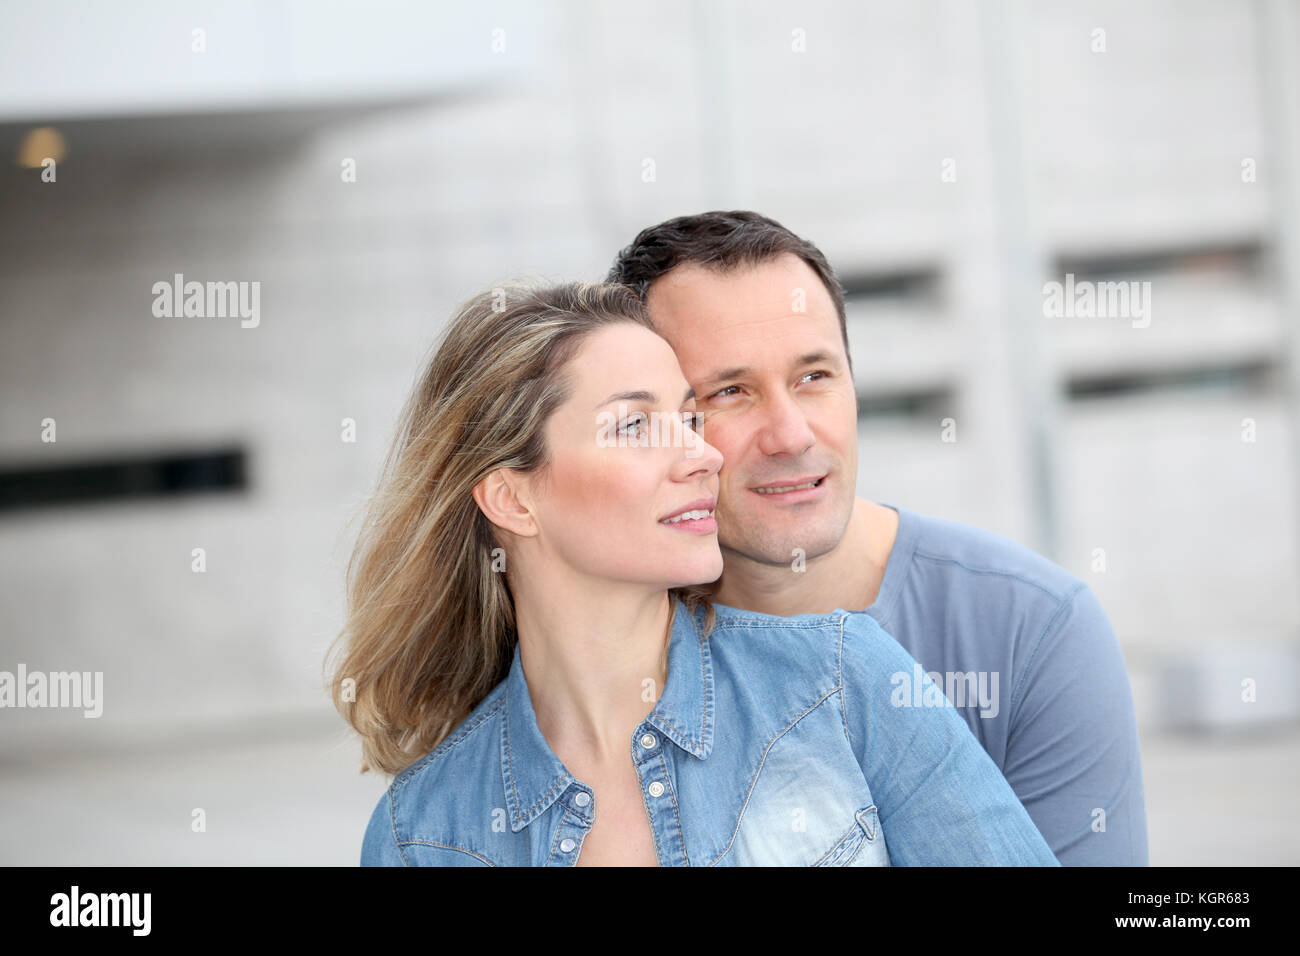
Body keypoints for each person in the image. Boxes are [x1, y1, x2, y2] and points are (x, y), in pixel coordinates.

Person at [331, 281, 1058, 866]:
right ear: (512, 497)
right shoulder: (421, 835)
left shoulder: (841, 686)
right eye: (636, 426)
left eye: (689, 419)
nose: (703, 457)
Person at [606, 210, 1149, 866]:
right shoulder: (604, 641)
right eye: (730, 392)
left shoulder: (1028, 627)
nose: (792, 435)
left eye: (814, 377)